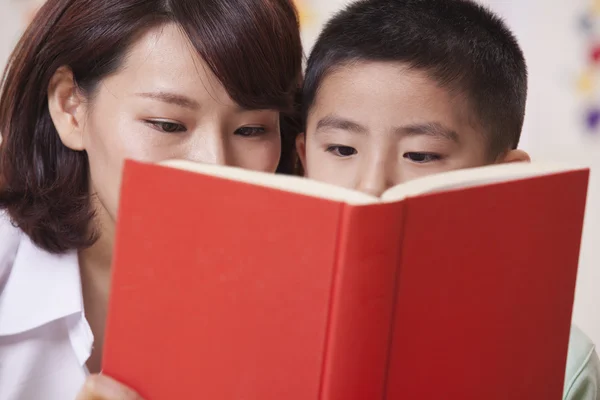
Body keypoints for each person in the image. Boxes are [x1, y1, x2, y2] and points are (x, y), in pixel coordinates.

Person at [295, 0, 600, 398]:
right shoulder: (254, 317)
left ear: (503, 179)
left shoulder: (562, 364)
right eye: (340, 148)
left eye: (420, 155)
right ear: (303, 159)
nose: (371, 186)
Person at [0, 0, 302, 398]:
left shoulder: (301, 301)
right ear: (69, 106)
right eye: (168, 124)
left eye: (251, 130)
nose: (216, 167)